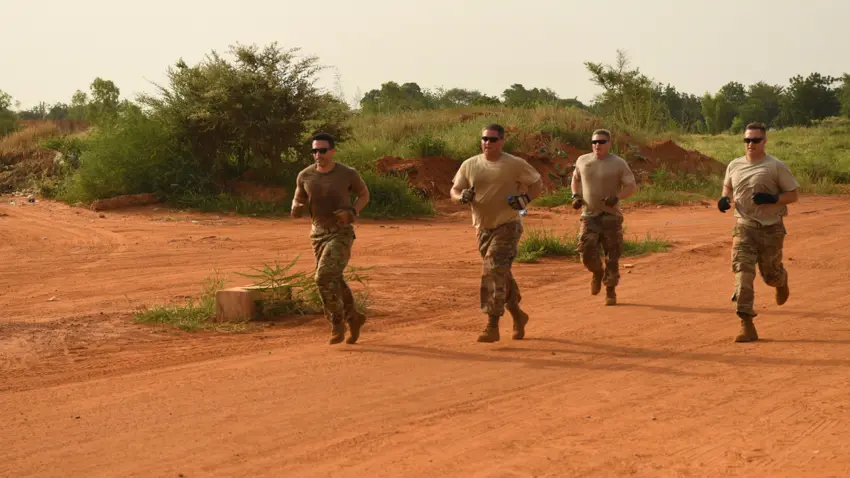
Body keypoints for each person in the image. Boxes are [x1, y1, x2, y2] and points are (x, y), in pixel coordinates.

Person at [450, 124, 543, 343]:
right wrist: (460, 196)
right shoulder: (470, 164)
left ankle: (492, 324)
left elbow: (537, 182)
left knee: (492, 268)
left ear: (502, 141)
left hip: (508, 225)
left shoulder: (514, 164)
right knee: (500, 273)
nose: (487, 143)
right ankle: (518, 314)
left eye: (492, 139)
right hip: (482, 228)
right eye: (484, 139)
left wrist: (526, 200)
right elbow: (454, 189)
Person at [718, 122, 799, 343]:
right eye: (747, 140)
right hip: (744, 227)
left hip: (771, 229)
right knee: (742, 273)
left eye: (755, 140)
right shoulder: (734, 165)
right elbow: (727, 186)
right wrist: (725, 198)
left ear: (764, 141)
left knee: (770, 275)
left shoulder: (775, 166)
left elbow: (793, 195)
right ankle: (747, 324)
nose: (750, 144)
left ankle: (781, 281)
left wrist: (773, 199)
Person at [291, 133, 370, 345]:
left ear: (332, 151)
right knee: (333, 276)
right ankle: (354, 318)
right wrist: (296, 209)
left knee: (323, 276)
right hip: (317, 234)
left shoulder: (347, 174)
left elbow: (364, 194)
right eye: (314, 151)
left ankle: (336, 322)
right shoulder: (305, 175)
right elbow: (297, 200)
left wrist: (352, 212)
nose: (318, 154)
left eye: (323, 150)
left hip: (341, 232)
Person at [570, 129, 638, 306]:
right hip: (589, 215)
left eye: (601, 142)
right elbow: (575, 179)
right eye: (594, 142)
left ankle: (610, 290)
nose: (596, 145)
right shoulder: (582, 160)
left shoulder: (618, 163)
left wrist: (618, 197)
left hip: (611, 216)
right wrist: (575, 196)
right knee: (585, 251)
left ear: (609, 143)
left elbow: (631, 186)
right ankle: (597, 272)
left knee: (612, 256)